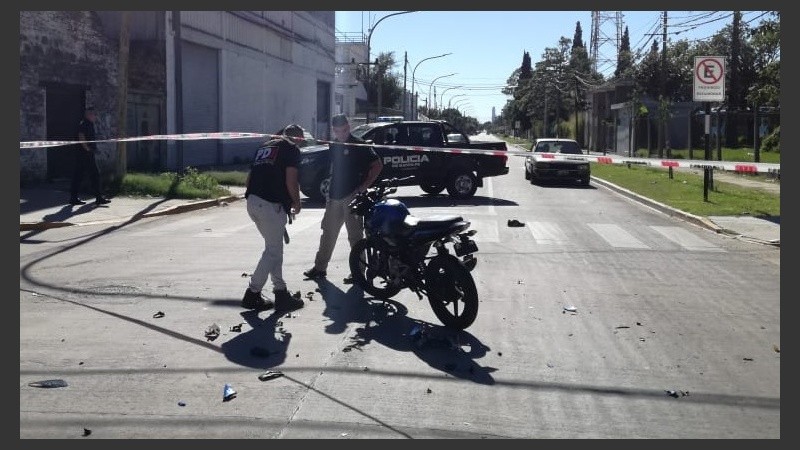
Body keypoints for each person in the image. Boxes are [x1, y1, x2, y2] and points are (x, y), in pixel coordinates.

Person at [303, 114, 383, 282]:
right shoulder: (334, 145)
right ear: (334, 130)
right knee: (328, 233)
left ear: (349, 126)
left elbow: (377, 165)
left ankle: (358, 271)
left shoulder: (359, 143)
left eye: (345, 129)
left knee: (355, 236)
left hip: (352, 196)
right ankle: (319, 268)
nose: (342, 133)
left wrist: (362, 188)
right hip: (334, 195)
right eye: (338, 130)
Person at [241, 124, 306, 312]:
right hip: (270, 205)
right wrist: (297, 202)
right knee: (273, 251)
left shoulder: (265, 147)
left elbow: (249, 178)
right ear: (298, 138)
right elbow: (291, 179)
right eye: (301, 142)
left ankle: (281, 292)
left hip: (253, 201)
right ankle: (252, 294)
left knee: (273, 249)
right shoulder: (290, 149)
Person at [70, 107, 111, 205]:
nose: (95, 117)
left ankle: (74, 198)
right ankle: (98, 198)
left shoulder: (89, 124)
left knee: (79, 175)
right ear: (88, 115)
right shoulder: (84, 124)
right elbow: (81, 136)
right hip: (85, 154)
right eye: (94, 115)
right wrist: (87, 148)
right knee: (94, 175)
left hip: (85, 154)